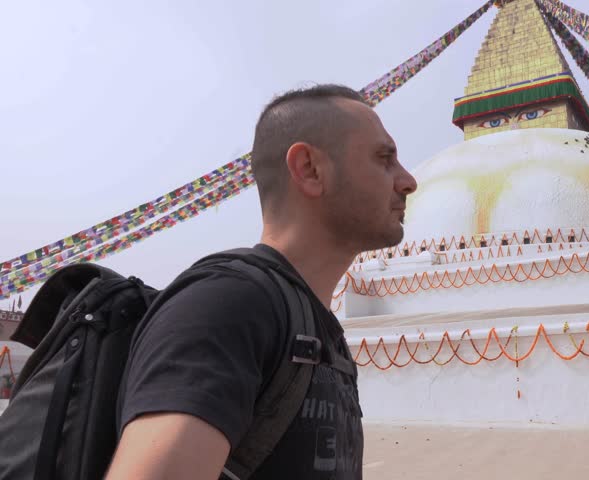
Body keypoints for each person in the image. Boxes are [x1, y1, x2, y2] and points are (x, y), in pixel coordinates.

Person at [106, 84, 417, 479]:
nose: (407, 181)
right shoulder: (227, 304)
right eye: (384, 158)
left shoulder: (317, 330)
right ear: (309, 170)